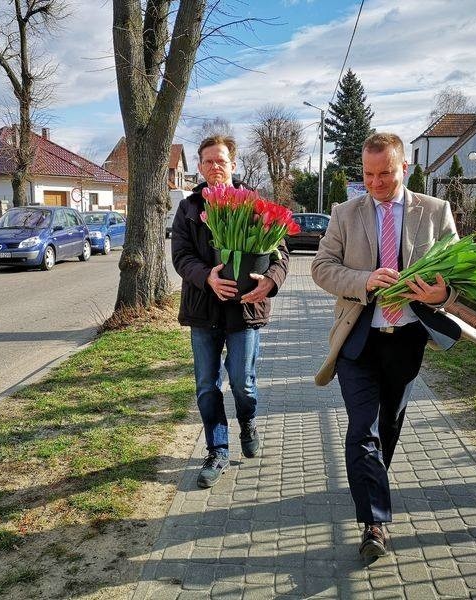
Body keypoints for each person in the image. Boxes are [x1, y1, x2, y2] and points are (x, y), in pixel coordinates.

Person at [311, 132, 458, 559]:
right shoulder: (345, 213)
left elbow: (458, 278)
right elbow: (321, 267)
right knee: (362, 431)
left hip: (407, 339)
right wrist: (363, 281)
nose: (375, 182)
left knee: (388, 425)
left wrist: (440, 294)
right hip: (358, 339)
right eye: (368, 174)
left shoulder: (435, 212)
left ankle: (373, 482)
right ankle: (374, 523)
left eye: (385, 174)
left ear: (404, 168)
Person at [171, 135, 289, 489]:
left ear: (233, 164)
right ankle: (217, 450)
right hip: (203, 310)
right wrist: (206, 277)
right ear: (201, 167)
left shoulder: (255, 203)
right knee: (207, 386)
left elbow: (280, 252)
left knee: (242, 383)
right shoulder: (189, 208)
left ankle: (248, 421)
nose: (214, 167)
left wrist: (270, 281)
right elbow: (180, 256)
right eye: (207, 161)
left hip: (245, 311)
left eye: (220, 161)